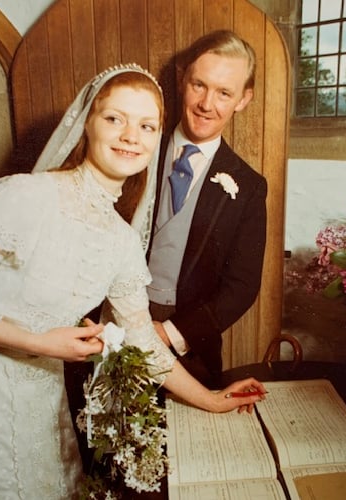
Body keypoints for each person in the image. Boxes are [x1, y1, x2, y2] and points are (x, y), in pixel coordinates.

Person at [0, 63, 266, 500]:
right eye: (115, 119)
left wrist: (212, 399)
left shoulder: (121, 240)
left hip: (41, 414)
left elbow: (142, 340)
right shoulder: (26, 195)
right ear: (87, 123)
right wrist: (44, 343)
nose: (131, 136)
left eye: (147, 126)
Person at [147, 30, 268, 388]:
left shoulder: (248, 186)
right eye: (199, 85)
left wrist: (170, 333)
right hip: (114, 324)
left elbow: (242, 286)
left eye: (224, 93)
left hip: (190, 346)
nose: (206, 104)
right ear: (182, 78)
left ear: (243, 99)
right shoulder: (137, 149)